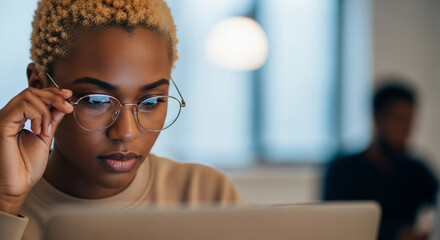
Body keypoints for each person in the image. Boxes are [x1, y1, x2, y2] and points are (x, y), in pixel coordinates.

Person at [0, 1, 243, 239]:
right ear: (38, 86)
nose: (127, 132)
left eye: (150, 102)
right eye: (97, 101)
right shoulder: (5, 200)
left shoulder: (206, 195)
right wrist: (6, 203)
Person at [323, 79, 438, 240]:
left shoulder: (417, 170)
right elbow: (332, 227)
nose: (405, 129)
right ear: (377, 118)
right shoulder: (343, 170)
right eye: (399, 120)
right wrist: (396, 235)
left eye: (409, 121)